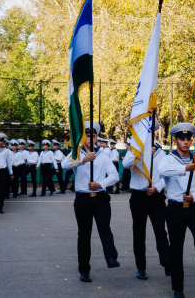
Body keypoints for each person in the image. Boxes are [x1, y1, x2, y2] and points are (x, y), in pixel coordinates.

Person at [159, 123, 195, 298]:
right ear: (175, 141)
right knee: (176, 249)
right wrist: (185, 168)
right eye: (181, 139)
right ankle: (178, 288)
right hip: (175, 209)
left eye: (188, 139)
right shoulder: (168, 158)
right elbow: (162, 170)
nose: (185, 142)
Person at [61, 121, 120, 283]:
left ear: (96, 138)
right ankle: (84, 270)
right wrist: (84, 160)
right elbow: (63, 165)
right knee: (84, 234)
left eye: (93, 135)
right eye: (87, 135)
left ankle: (111, 257)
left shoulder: (104, 156)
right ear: (82, 137)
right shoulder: (77, 153)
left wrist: (100, 184)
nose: (90, 138)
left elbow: (115, 176)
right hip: (83, 199)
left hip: (100, 197)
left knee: (104, 227)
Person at [122, 136, 170, 281]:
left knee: (160, 230)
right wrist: (142, 152)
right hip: (138, 197)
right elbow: (125, 164)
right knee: (139, 233)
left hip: (156, 196)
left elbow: (166, 174)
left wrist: (157, 188)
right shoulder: (134, 149)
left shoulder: (161, 152)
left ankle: (166, 260)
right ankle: (141, 268)